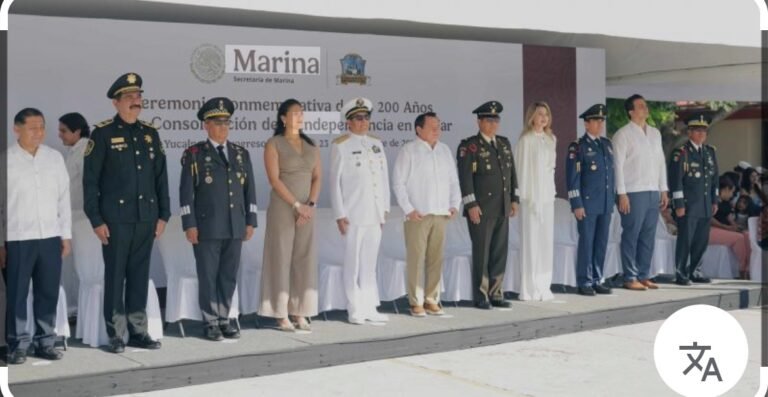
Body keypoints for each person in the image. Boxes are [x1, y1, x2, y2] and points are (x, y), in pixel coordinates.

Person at [83, 73, 169, 353]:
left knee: (139, 276)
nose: (136, 101)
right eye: (130, 97)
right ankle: (116, 334)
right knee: (115, 276)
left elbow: (161, 178)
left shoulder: (150, 133)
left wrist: (163, 215)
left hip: (146, 217)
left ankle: (138, 331)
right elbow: (90, 182)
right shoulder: (103, 134)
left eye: (138, 96)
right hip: (115, 220)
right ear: (116, 102)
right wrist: (96, 219)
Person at [180, 97, 257, 341]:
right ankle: (210, 321)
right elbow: (186, 193)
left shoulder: (240, 154)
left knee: (228, 275)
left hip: (235, 225)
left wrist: (250, 220)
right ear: (206, 125)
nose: (223, 127)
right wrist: (189, 224)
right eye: (217, 123)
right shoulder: (194, 155)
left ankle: (224, 318)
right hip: (207, 227)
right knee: (208, 275)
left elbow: (250, 190)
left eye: (226, 123)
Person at [4, 108, 71, 364]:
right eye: (32, 128)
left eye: (42, 127)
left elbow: (63, 199)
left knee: (48, 292)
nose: (39, 133)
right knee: (17, 294)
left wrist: (65, 235)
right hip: (17, 238)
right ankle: (18, 344)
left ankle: (45, 341)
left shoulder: (54, 158)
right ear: (16, 129)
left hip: (50, 237)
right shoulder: (6, 160)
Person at [260, 99, 322, 332]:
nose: (299, 117)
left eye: (301, 113)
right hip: (284, 207)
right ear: (283, 118)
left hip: (307, 210)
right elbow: (274, 179)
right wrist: (296, 205)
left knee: (304, 258)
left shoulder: (311, 145)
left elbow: (317, 177)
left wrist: (310, 205)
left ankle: (300, 310)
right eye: (294, 113)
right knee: (281, 256)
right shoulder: (274, 143)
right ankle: (280, 312)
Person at [392, 112, 461, 317]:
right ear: (419, 129)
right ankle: (416, 301)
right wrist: (408, 209)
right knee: (416, 259)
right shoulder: (409, 150)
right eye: (432, 127)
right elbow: (398, 183)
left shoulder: (444, 150)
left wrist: (454, 204)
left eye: (438, 126)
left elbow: (453, 180)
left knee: (435, 259)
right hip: (418, 215)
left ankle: (432, 299)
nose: (437, 130)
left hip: (441, 213)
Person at [329, 97, 390, 324]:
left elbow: (383, 178)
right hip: (353, 214)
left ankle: (369, 306)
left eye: (366, 117)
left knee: (369, 264)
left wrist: (384, 208)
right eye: (358, 118)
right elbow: (334, 183)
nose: (363, 122)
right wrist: (339, 214)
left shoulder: (376, 144)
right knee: (353, 263)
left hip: (374, 213)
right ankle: (354, 308)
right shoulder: (341, 145)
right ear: (349, 122)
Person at [456, 101, 518, 309]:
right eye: (489, 120)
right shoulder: (470, 146)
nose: (493, 124)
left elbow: (512, 174)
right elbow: (465, 179)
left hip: (502, 206)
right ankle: (481, 295)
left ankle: (496, 293)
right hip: (481, 209)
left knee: (500, 252)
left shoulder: (504, 143)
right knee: (482, 253)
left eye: (496, 120)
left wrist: (514, 199)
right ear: (479, 122)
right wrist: (471, 204)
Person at [613, 94, 669, 291]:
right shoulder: (622, 134)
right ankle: (630, 276)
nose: (646, 108)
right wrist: (622, 193)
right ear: (631, 112)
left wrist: (663, 189)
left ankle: (643, 274)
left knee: (648, 235)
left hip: (653, 190)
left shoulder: (655, 133)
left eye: (646, 105)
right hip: (633, 191)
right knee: (631, 234)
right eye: (641, 106)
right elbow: (617, 166)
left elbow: (661, 162)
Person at [565, 104, 614, 296]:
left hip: (605, 203)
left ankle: (597, 278)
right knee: (587, 243)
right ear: (586, 124)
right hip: (587, 204)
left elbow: (610, 175)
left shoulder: (606, 144)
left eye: (602, 121)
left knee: (601, 243)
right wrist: (576, 204)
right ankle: (584, 281)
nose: (600, 124)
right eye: (596, 121)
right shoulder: (578, 147)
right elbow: (573, 179)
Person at [668, 115, 719, 285]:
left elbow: (714, 179)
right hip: (688, 206)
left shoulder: (709, 152)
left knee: (701, 241)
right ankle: (681, 273)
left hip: (705, 205)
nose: (702, 134)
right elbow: (676, 180)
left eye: (704, 130)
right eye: (697, 130)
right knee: (686, 240)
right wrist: (678, 204)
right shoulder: (681, 152)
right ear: (689, 133)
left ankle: (694, 271)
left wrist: (714, 200)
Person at [514, 102, 557, 301]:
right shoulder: (526, 140)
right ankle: (529, 288)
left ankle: (543, 285)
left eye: (546, 114)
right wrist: (522, 197)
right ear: (532, 117)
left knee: (546, 242)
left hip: (547, 197)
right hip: (531, 198)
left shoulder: (551, 139)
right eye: (540, 114)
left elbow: (551, 169)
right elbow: (520, 170)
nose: (544, 118)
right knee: (531, 243)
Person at [710, 176, 752, 279]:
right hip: (710, 230)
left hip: (723, 229)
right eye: (731, 192)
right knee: (739, 238)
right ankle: (742, 270)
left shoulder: (726, 202)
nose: (732, 195)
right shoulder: (711, 200)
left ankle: (749, 267)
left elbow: (728, 216)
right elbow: (709, 219)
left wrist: (735, 226)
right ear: (725, 189)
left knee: (746, 235)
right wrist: (726, 227)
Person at [58, 112, 90, 214]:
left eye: (63, 131)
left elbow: (91, 184)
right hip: (74, 211)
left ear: (77, 132)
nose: (59, 135)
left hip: (82, 213)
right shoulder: (74, 151)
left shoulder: (84, 151)